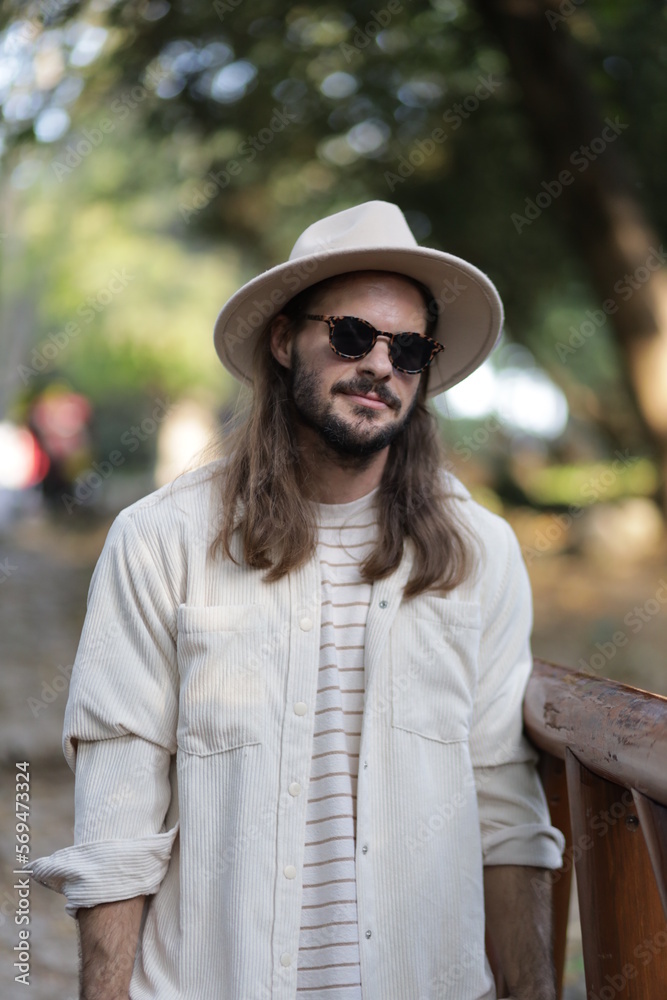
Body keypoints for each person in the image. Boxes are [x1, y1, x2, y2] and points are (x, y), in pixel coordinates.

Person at [33, 200, 565, 1000]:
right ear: (285, 340)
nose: (381, 365)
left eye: (410, 349)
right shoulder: (161, 540)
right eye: (353, 336)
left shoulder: (477, 554)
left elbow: (506, 812)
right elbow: (118, 819)